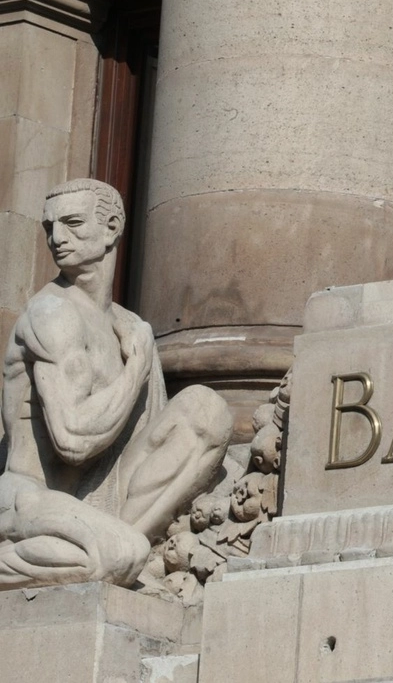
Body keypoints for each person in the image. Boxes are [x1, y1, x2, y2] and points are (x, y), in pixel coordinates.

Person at [0, 179, 231, 589]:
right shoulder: (52, 314)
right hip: (27, 497)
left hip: (101, 495)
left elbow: (152, 434)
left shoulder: (130, 327)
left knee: (206, 412)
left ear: (111, 228)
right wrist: (136, 368)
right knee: (117, 555)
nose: (56, 238)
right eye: (49, 227)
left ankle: (121, 547)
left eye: (72, 223)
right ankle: (114, 552)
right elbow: (72, 440)